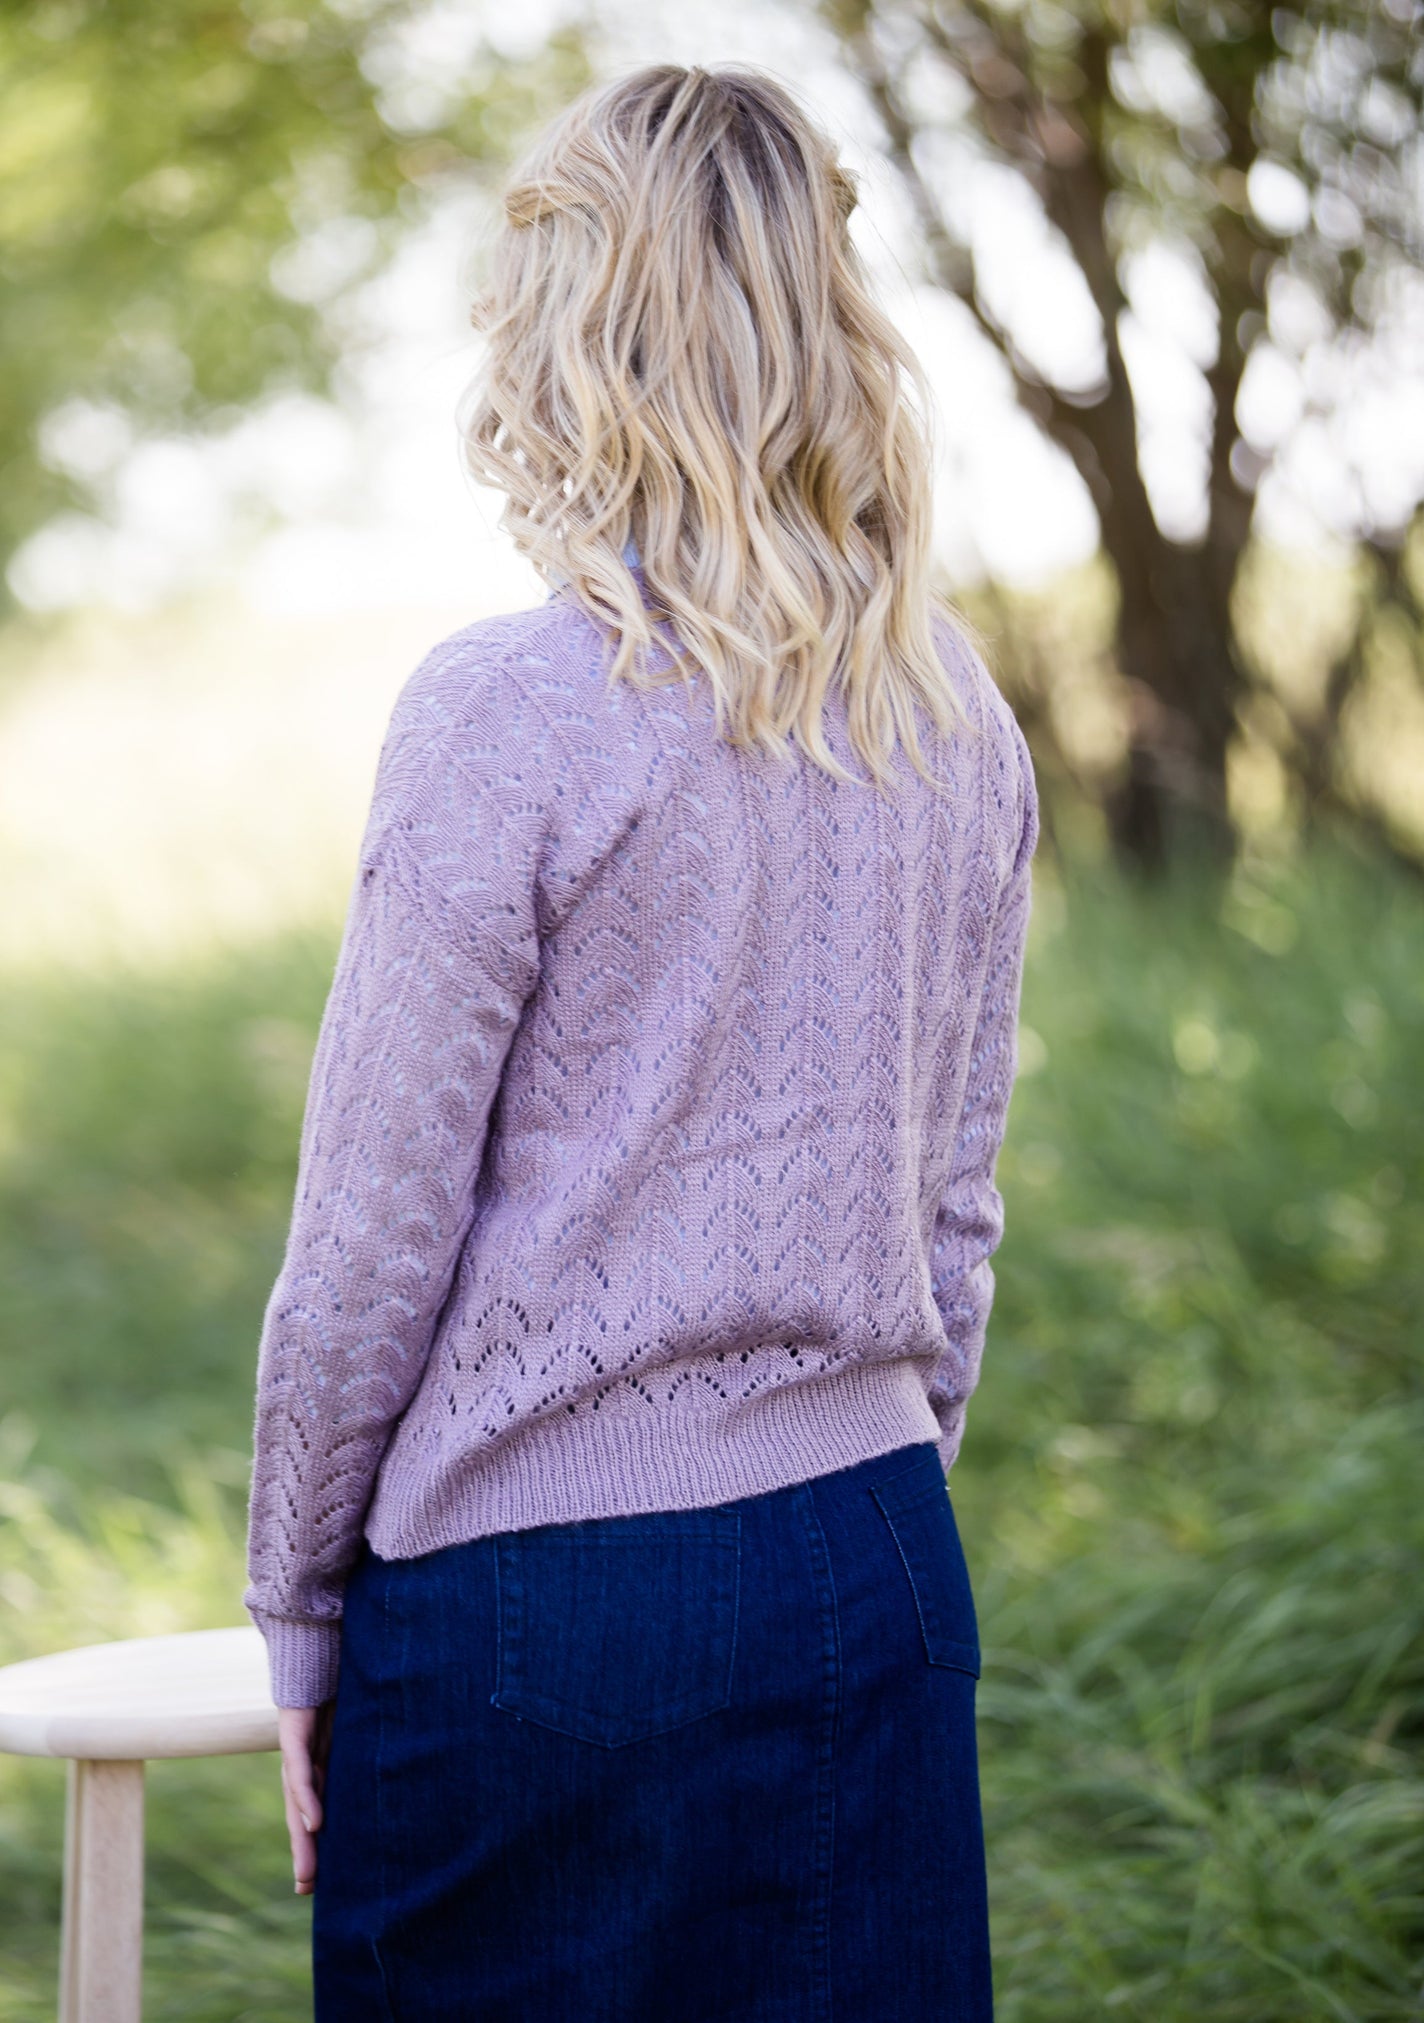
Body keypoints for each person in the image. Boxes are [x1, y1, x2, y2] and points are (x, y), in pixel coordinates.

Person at [244, 60, 1038, 2023]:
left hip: (544, 1614)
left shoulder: (506, 712)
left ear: (572, 325)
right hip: (876, 1560)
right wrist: (843, 1488)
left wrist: (296, 1614)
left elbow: (368, 1240)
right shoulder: (959, 729)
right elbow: (954, 1218)